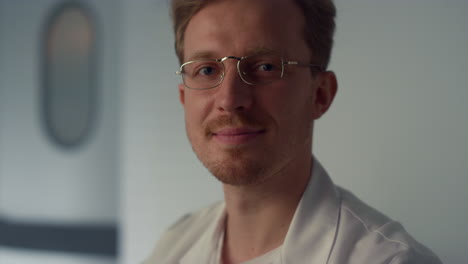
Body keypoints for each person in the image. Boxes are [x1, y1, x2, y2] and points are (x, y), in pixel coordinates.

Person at [144, 0, 442, 263]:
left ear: (320, 95)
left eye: (265, 67)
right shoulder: (173, 246)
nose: (230, 100)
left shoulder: (390, 259)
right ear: (184, 98)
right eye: (207, 70)